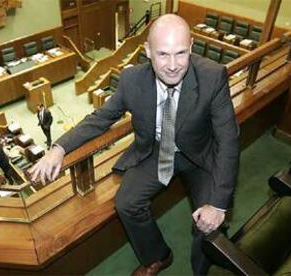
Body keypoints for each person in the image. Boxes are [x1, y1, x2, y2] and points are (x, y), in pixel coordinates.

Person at [29, 14, 240, 275]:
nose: (173, 65)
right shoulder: (131, 81)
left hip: (200, 155)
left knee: (208, 223)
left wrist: (218, 205)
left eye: (181, 53)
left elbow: (229, 140)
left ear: (192, 46)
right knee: (126, 203)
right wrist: (58, 148)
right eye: (163, 54)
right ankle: (158, 256)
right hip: (155, 151)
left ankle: (202, 271)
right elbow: (100, 118)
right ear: (148, 51)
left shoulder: (212, 77)